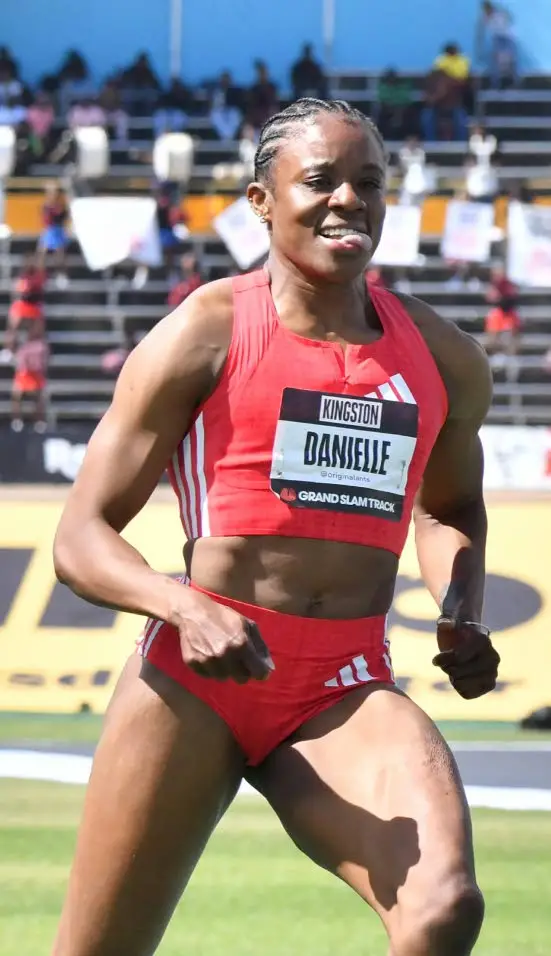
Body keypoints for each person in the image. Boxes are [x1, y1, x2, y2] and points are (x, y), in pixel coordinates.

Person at [51, 98, 499, 956]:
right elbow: (80, 538)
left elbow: (449, 508)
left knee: (443, 909)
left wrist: (462, 608)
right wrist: (183, 607)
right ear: (260, 201)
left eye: (368, 182)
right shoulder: (206, 330)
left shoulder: (443, 358)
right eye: (320, 180)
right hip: (193, 683)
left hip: (343, 684)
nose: (348, 200)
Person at [10, 318, 49, 433]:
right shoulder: (22, 344)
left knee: (40, 396)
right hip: (24, 376)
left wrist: (34, 366)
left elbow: (42, 363)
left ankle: (39, 421)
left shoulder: (41, 345)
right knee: (16, 393)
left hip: (36, 376)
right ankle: (17, 420)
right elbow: (20, 362)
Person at [37, 183, 70, 288]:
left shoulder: (61, 206)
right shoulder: (46, 206)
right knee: (42, 253)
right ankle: (40, 276)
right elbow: (45, 219)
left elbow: (63, 217)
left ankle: (61, 275)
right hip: (49, 230)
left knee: (59, 255)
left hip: (58, 230)